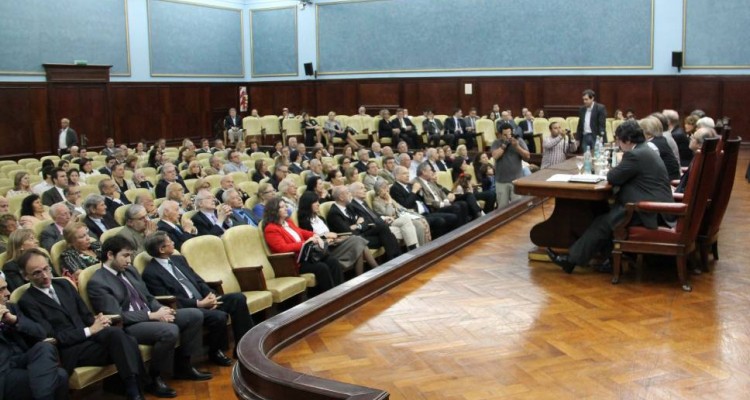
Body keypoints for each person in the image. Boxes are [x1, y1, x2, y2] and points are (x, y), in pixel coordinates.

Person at [87, 236, 210, 398]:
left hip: (151, 314)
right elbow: (117, 315)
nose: (129, 260)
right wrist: (152, 315)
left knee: (194, 315)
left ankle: (183, 366)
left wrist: (162, 310)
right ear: (110, 255)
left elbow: (149, 297)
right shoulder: (98, 282)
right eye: (125, 256)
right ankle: (154, 378)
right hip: (129, 326)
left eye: (130, 255)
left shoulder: (130, 270)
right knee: (169, 331)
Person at [18, 248, 148, 400]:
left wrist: (98, 321)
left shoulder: (64, 285)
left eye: (46, 268)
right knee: (127, 342)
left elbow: (86, 315)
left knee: (119, 335)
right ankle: (137, 388)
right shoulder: (27, 302)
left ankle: (132, 389)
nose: (45, 275)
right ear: (26, 276)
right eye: (37, 273)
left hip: (90, 337)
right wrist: (90, 330)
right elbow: (51, 336)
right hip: (70, 349)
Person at [547, 120, 675, 274]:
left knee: (602, 222)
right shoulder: (645, 149)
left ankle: (571, 261)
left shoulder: (635, 154)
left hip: (647, 211)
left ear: (627, 140)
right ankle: (610, 259)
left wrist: (621, 160)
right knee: (603, 215)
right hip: (651, 206)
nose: (618, 144)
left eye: (619, 140)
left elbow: (613, 177)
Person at [142, 231, 252, 364]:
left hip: (205, 299)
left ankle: (244, 346)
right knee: (218, 316)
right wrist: (199, 303)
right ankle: (215, 352)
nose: (173, 243)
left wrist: (211, 296)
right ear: (162, 249)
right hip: (189, 308)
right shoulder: (150, 273)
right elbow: (170, 299)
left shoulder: (179, 259)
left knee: (238, 298)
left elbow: (197, 280)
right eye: (170, 242)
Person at [0, 276, 70, 400]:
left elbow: (40, 332)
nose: (8, 293)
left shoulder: (11, 308)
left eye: (6, 288)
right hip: (3, 371)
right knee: (60, 375)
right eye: (1, 290)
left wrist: (14, 320)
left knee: (45, 347)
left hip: (21, 359)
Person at [263, 197, 343, 296]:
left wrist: (316, 236)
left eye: (285, 206)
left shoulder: (288, 222)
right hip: (294, 262)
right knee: (322, 268)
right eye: (282, 207)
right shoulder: (271, 229)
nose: (286, 208)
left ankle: (341, 292)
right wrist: (305, 243)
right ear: (274, 211)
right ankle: (330, 298)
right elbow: (282, 248)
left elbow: (301, 232)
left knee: (332, 261)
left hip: (306, 257)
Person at [297, 191, 377, 273]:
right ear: (307, 204)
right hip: (324, 250)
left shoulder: (320, 218)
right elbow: (311, 241)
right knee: (358, 241)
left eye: (318, 201)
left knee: (358, 244)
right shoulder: (304, 222)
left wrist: (338, 238)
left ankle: (363, 276)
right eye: (315, 202)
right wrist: (326, 237)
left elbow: (330, 234)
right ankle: (375, 270)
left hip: (333, 243)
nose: (318, 204)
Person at [326, 185, 401, 261]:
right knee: (387, 235)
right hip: (353, 240)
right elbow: (348, 231)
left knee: (383, 228)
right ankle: (396, 259)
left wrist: (357, 226)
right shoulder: (334, 213)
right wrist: (358, 225)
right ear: (341, 197)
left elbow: (365, 220)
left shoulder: (349, 207)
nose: (350, 194)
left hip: (362, 233)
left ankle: (395, 259)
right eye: (348, 192)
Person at [389, 166, 457, 238]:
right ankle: (439, 244)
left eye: (408, 173)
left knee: (452, 217)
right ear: (397, 176)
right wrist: (414, 191)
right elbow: (406, 205)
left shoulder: (410, 185)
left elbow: (422, 199)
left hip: (425, 212)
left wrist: (420, 192)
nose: (408, 175)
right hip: (415, 216)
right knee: (440, 221)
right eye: (404, 173)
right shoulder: (394, 188)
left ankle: (452, 238)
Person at [372, 180, 431, 246]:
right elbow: (389, 214)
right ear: (378, 191)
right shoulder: (376, 202)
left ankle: (426, 244)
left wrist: (408, 210)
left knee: (422, 220)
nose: (387, 189)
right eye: (384, 188)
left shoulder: (389, 197)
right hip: (392, 221)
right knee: (418, 225)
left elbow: (400, 207)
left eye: (387, 187)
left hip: (401, 217)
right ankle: (420, 247)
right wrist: (389, 202)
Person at [491, 122, 530, 208]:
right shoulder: (496, 143)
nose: (508, 136)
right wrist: (504, 145)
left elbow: (527, 156)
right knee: (502, 207)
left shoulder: (518, 141)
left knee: (517, 207)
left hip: (517, 180)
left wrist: (517, 147)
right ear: (500, 135)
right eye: (505, 135)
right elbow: (495, 156)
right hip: (501, 181)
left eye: (510, 134)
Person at [675, 127, 717, 194]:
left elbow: (687, 192)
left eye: (693, 137)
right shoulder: (703, 158)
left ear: (700, 145)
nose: (690, 138)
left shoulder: (698, 162)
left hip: (678, 199)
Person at [640, 116, 681, 181]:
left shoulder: (651, 145)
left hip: (666, 181)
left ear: (648, 133)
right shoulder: (662, 139)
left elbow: (645, 167)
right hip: (671, 177)